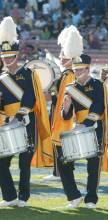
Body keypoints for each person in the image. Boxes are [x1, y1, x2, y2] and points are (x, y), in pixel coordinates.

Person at [0, 16, 52, 207]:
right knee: (1, 162)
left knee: (24, 163)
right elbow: (2, 107)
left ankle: (23, 197)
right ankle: (9, 197)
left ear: (17, 55)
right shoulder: (0, 79)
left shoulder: (28, 73)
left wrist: (18, 117)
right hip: (9, 123)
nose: (8, 60)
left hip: (26, 121)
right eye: (5, 57)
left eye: (11, 56)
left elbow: (30, 98)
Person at [57, 28, 106, 209]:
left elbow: (99, 107)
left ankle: (91, 199)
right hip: (78, 127)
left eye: (80, 69)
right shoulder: (70, 87)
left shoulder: (97, 84)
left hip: (94, 127)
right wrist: (67, 107)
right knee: (62, 160)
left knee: (93, 165)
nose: (77, 72)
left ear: (88, 68)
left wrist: (86, 124)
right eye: (75, 69)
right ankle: (74, 195)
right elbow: (65, 115)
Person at [43, 25, 76, 181]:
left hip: (63, 113)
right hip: (58, 111)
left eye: (65, 56)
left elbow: (63, 96)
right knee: (59, 143)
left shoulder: (69, 74)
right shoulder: (65, 73)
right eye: (61, 55)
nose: (61, 58)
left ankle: (60, 172)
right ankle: (58, 171)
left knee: (61, 143)